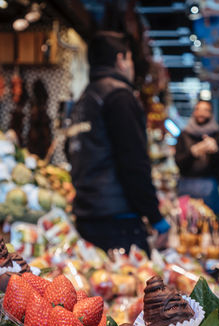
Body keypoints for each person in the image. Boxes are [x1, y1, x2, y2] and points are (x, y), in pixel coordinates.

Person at [66, 32, 169, 254]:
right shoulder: (119, 97)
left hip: (87, 218)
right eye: (130, 59)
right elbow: (134, 162)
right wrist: (155, 216)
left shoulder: (84, 100)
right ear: (121, 60)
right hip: (119, 222)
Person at [175, 100, 219, 217]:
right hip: (186, 185)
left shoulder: (217, 135)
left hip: (209, 186)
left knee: (209, 222)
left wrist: (215, 151)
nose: (201, 113)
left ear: (211, 114)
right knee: (185, 222)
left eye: (205, 110)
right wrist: (193, 152)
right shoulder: (184, 135)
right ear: (194, 112)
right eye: (198, 109)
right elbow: (179, 162)